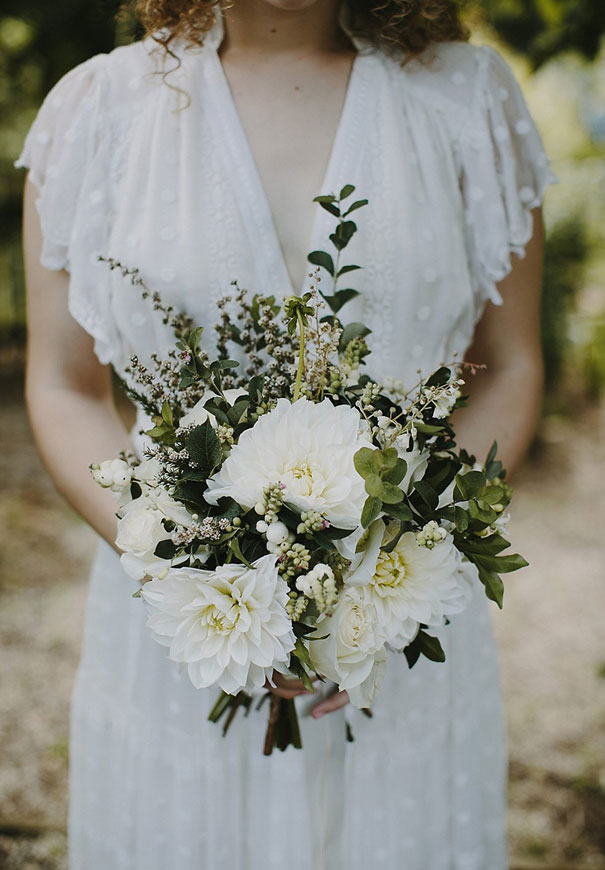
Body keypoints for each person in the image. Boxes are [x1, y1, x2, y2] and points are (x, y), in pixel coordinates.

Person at [17, 1, 555, 867]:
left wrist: (391, 559)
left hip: (400, 614)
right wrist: (191, 563)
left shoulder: (470, 101)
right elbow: (61, 382)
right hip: (178, 632)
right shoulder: (95, 111)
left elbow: (512, 363)